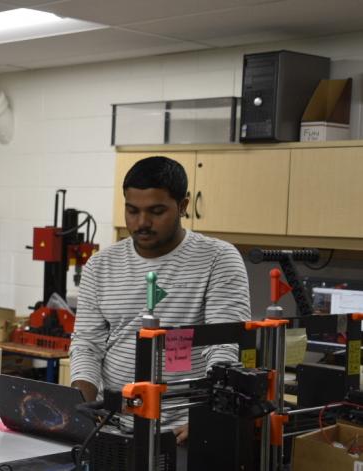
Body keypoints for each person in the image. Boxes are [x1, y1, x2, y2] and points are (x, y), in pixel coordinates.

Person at [69, 156, 251, 443]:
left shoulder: (218, 259)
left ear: (183, 206)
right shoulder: (100, 265)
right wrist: (80, 410)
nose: (142, 223)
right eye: (132, 210)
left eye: (156, 211)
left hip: (184, 431)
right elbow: (87, 345)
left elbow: (224, 344)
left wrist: (208, 416)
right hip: (112, 428)